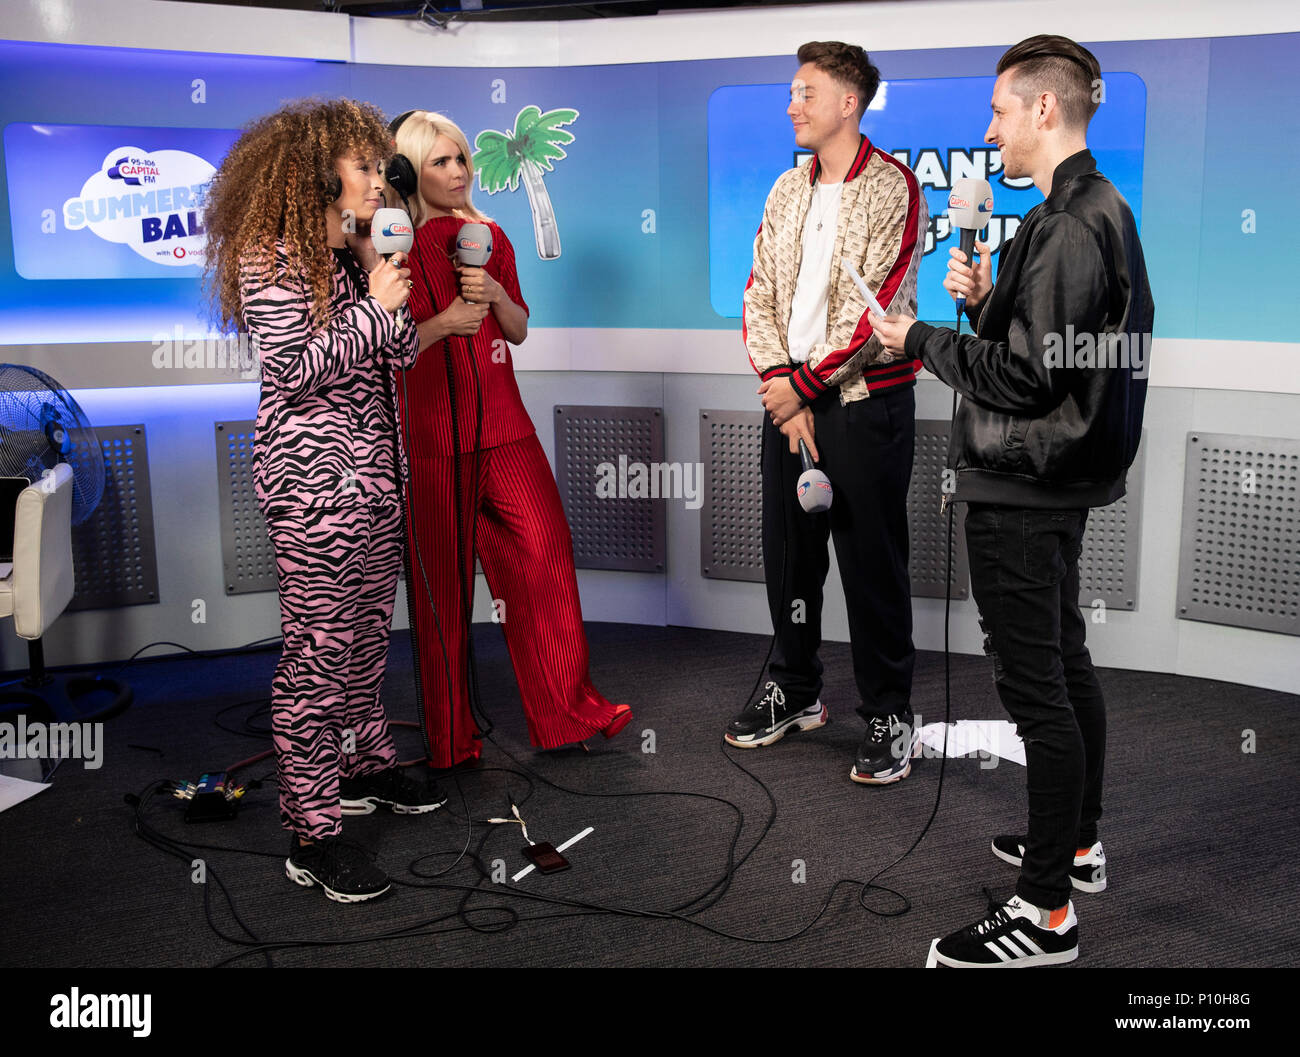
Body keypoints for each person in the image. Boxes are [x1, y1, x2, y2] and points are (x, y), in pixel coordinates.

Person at [870, 35, 1153, 966]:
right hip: (1048, 478)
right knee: (1064, 666)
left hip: (1024, 485)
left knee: (1039, 691)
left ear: (1043, 110)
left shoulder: (1072, 221)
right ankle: (1074, 845)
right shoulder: (1082, 210)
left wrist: (914, 334)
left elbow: (1028, 379)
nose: (988, 129)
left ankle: (1045, 914)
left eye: (998, 111)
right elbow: (1050, 348)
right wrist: (988, 294)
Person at [205, 99, 446, 904]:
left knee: (368, 638)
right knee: (318, 656)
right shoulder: (271, 255)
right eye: (366, 167)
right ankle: (312, 833)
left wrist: (390, 300)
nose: (381, 180)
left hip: (376, 478)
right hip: (314, 490)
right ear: (319, 173)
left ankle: (364, 765)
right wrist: (377, 309)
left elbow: (399, 348)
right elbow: (295, 370)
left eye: (381, 167)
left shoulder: (350, 252)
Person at [388, 110, 632, 768]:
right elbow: (388, 350)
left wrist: (494, 292)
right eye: (440, 161)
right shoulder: (393, 247)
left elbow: (519, 330)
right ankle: (450, 743)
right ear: (410, 170)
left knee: (545, 558)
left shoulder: (491, 233)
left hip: (506, 429)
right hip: (431, 439)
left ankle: (566, 712)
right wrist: (443, 322)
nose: (459, 170)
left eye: (462, 157)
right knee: (441, 596)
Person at [732, 41, 927, 785]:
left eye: (805, 92)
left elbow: (868, 314)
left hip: (862, 406)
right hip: (790, 404)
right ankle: (796, 688)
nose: (792, 105)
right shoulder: (786, 188)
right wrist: (783, 388)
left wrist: (803, 388)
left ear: (849, 102)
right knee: (790, 557)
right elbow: (758, 293)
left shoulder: (894, 188)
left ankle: (887, 712)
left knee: (872, 563)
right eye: (791, 92)